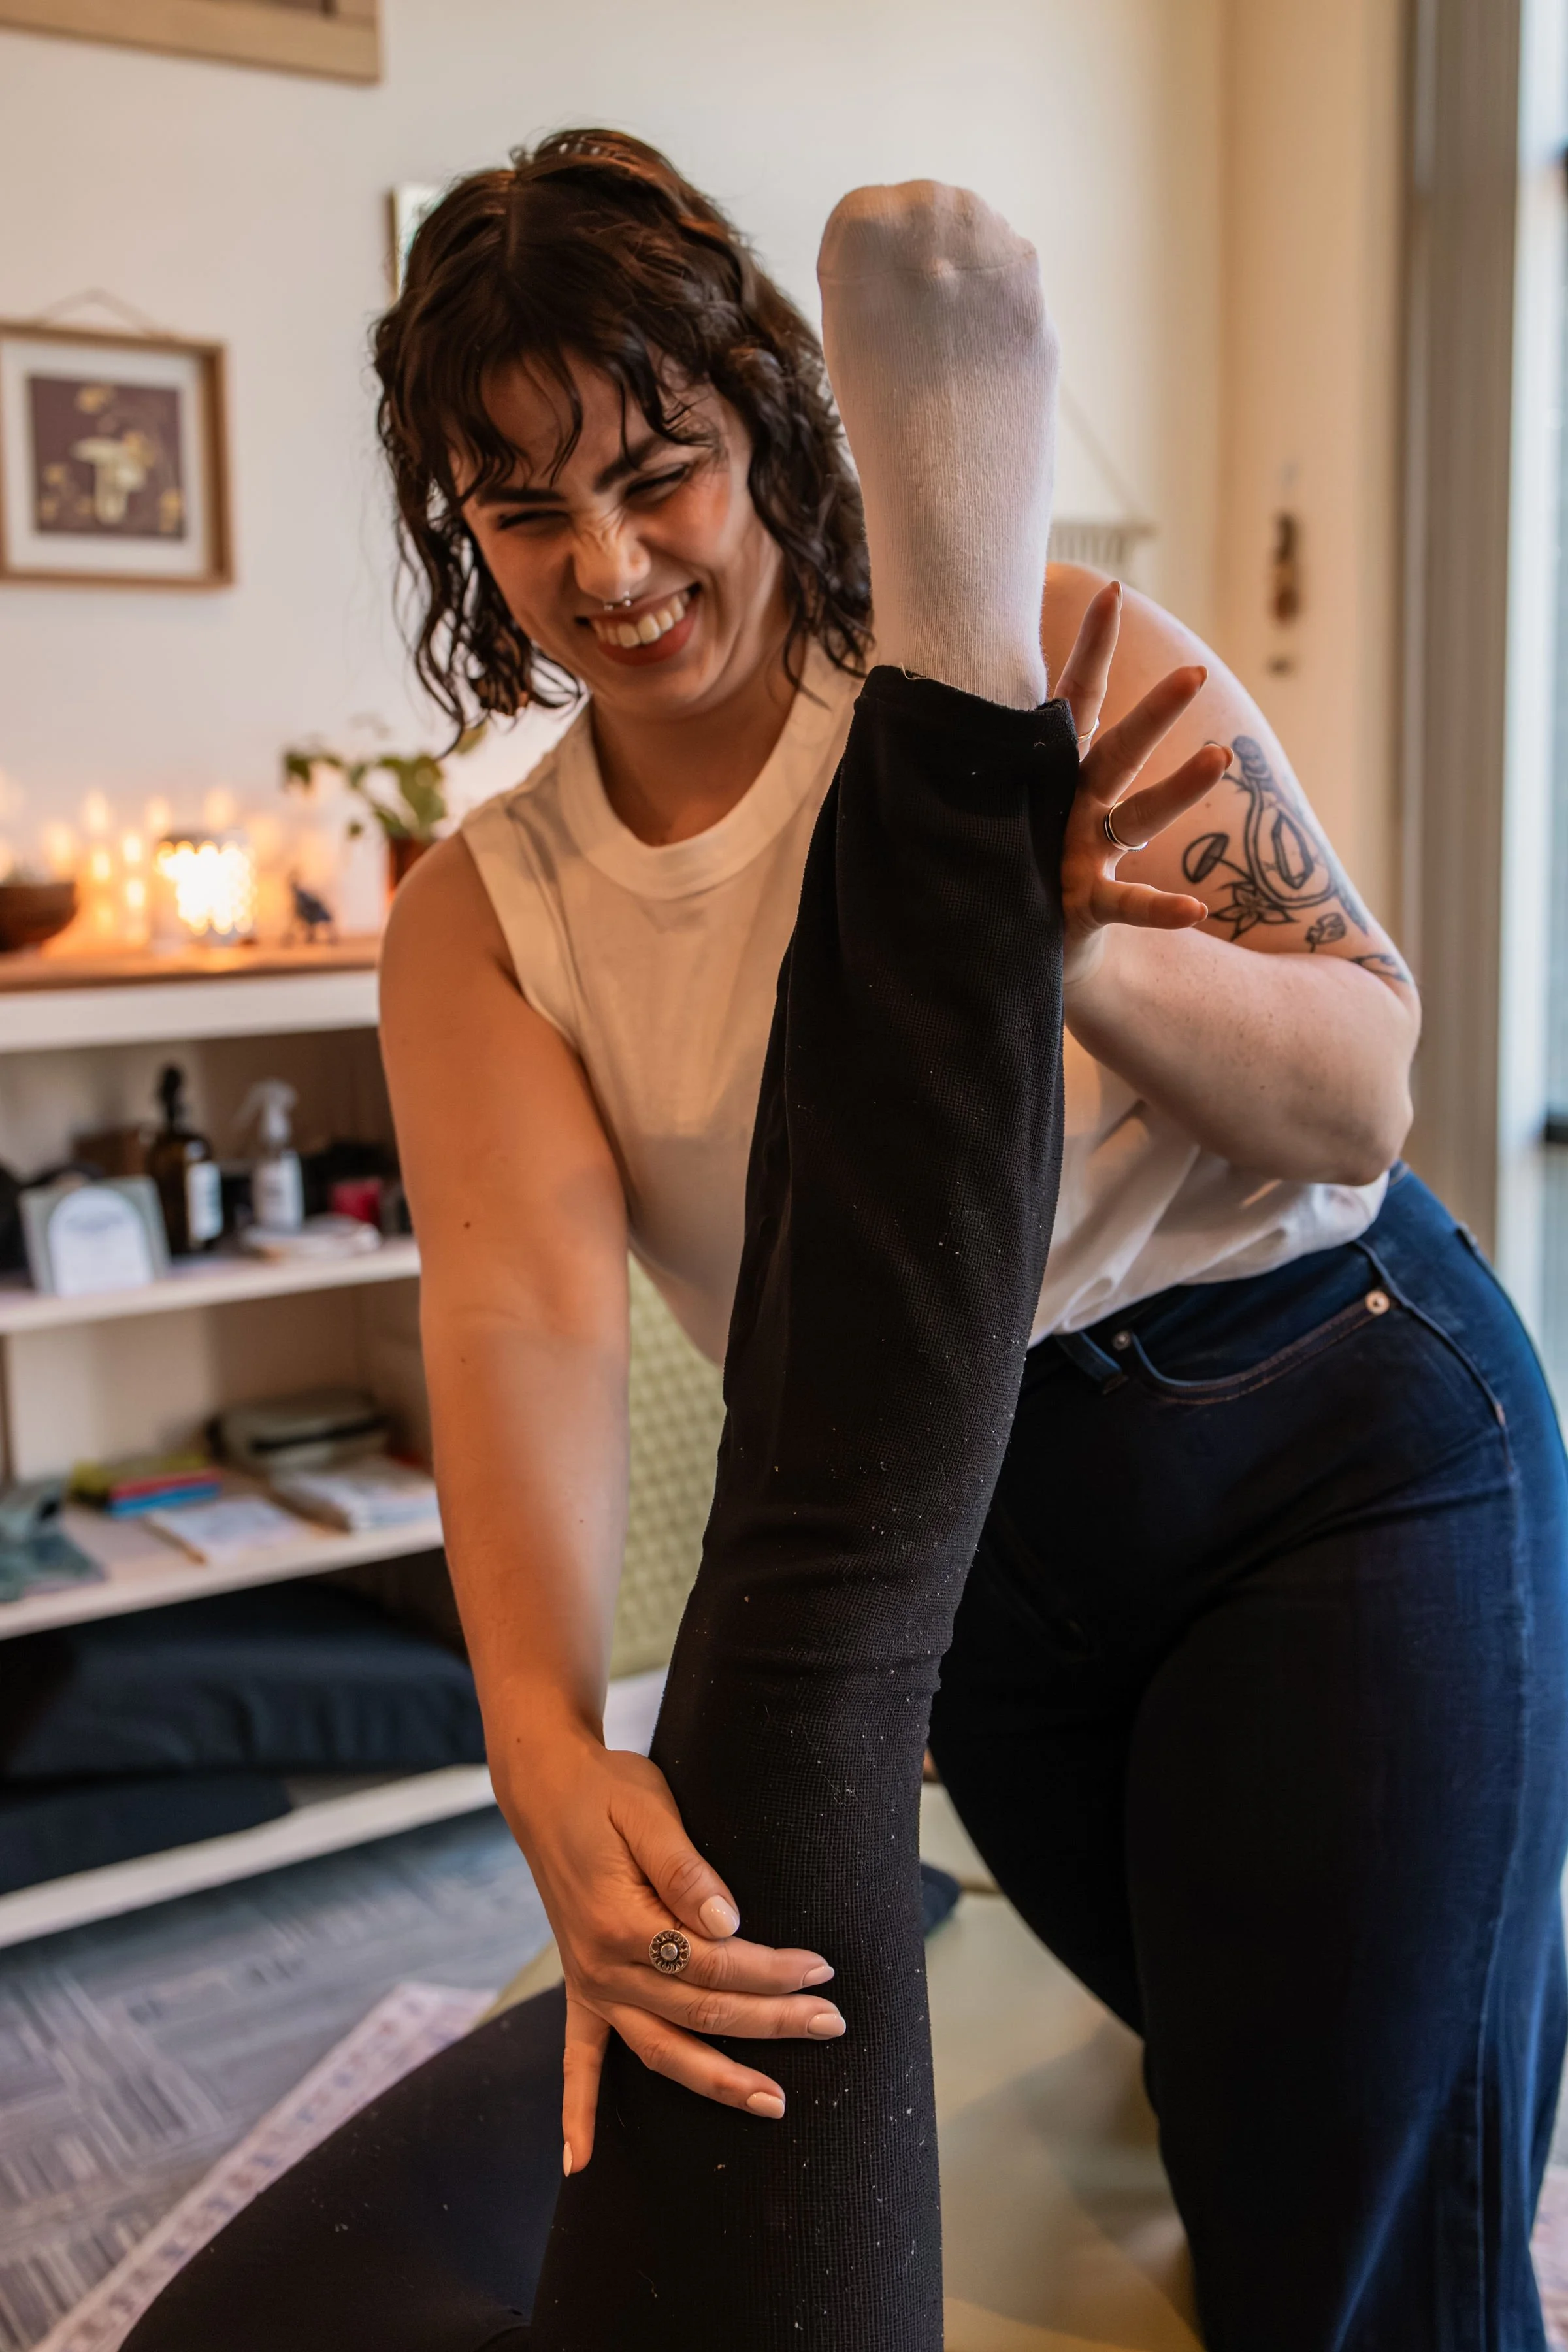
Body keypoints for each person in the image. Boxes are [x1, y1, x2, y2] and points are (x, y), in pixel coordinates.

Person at [127, 135, 1568, 2352]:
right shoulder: (487, 919)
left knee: (1351, 2230)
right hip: (962, 1528)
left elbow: (1361, 1092)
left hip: (1322, 1424)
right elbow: (518, 1322)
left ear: (772, 421)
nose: (609, 566)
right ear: (458, 528)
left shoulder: (1050, 654)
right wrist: (543, 1751)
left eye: (659, 474)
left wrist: (1064, 936)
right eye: (525, 510)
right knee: (1214, 2063)